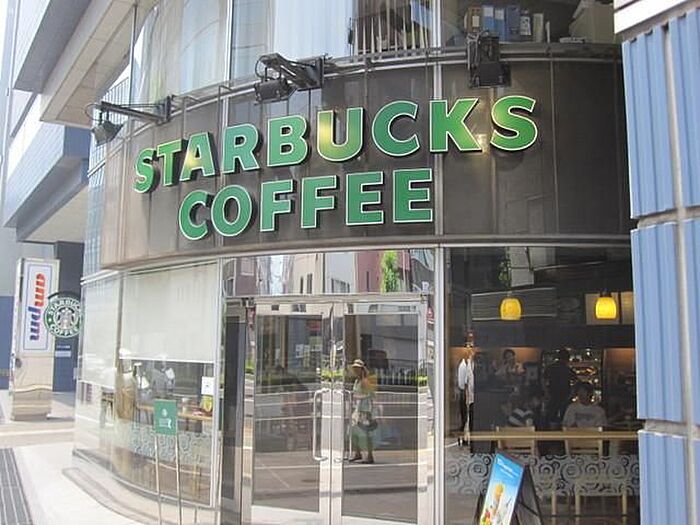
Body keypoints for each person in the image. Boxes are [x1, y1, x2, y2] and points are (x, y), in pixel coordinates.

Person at [349, 359, 376, 464]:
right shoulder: (357, 381)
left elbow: (370, 395)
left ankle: (369, 455)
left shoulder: (365, 381)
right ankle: (358, 453)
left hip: (365, 410)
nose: (355, 370)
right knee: (354, 431)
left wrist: (357, 396)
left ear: (362, 369)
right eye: (354, 368)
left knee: (366, 433)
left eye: (357, 368)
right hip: (358, 409)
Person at [544, 348, 577, 425]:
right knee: (564, 418)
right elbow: (576, 382)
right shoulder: (567, 370)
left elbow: (543, 381)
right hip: (565, 396)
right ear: (567, 359)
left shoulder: (550, 368)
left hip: (552, 395)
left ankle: (551, 430)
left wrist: (546, 392)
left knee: (551, 418)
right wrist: (571, 394)